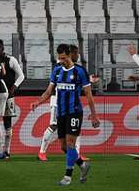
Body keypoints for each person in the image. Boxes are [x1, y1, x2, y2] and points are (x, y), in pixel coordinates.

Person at [31, 44, 100, 185]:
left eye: (63, 58)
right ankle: (82, 165)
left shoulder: (80, 71)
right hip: (61, 112)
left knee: (70, 144)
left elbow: (89, 95)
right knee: (64, 147)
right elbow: (49, 91)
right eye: (59, 58)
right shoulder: (57, 71)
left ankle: (67, 177)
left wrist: (94, 115)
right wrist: (37, 101)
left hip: (74, 112)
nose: (61, 60)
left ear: (69, 55)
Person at [0, 39, 25, 159]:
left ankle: (7, 151)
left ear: (2, 48)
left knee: (7, 123)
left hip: (8, 96)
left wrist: (14, 87)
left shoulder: (11, 60)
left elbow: (21, 75)